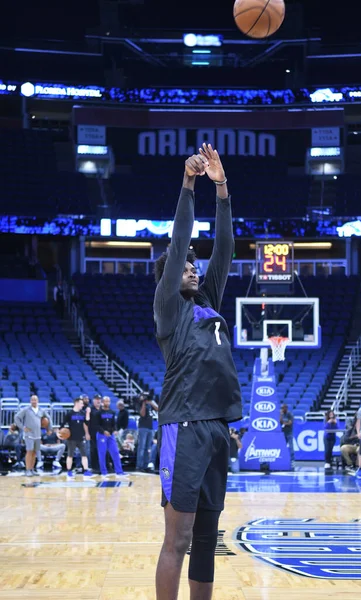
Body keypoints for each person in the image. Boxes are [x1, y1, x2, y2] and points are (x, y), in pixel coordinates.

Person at [153, 145, 242, 600]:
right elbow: (180, 242)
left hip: (216, 429)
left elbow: (224, 247)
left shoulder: (209, 305)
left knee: (208, 539)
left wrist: (221, 188)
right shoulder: (170, 309)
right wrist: (189, 185)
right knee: (179, 539)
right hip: (183, 426)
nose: (190, 267)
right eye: (182, 266)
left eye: (193, 265)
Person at [15, 395, 52, 477]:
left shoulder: (42, 410)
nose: (34, 401)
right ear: (30, 401)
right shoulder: (26, 409)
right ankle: (27, 470)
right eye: (32, 400)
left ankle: (32, 469)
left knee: (35, 452)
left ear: (38, 401)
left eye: (35, 400)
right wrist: (22, 427)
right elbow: (16, 417)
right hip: (29, 434)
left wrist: (49, 429)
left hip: (38, 434)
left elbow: (48, 418)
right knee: (29, 451)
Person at [96, 396, 126, 477]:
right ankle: (104, 472)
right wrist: (103, 431)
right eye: (106, 401)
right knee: (102, 453)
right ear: (103, 402)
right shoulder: (98, 413)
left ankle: (119, 471)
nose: (107, 403)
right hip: (101, 435)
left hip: (110, 435)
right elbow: (97, 425)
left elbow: (114, 424)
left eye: (108, 401)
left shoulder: (112, 412)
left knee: (115, 452)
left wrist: (114, 430)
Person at [63, 397, 92, 478]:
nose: (83, 405)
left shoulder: (82, 413)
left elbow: (87, 422)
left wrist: (88, 414)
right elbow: (63, 424)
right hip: (71, 437)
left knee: (84, 454)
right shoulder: (69, 414)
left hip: (81, 437)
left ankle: (86, 470)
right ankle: (69, 471)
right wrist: (60, 433)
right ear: (76, 403)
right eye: (81, 403)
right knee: (70, 455)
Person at [137, 393, 158, 472]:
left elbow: (158, 409)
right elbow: (142, 414)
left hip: (150, 427)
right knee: (141, 447)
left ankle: (146, 465)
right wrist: (143, 403)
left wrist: (151, 402)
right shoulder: (139, 403)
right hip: (142, 427)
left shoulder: (151, 404)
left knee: (147, 448)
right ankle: (139, 466)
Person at [88, 394, 102, 473]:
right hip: (93, 433)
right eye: (96, 399)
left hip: (101, 433)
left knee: (102, 450)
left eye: (99, 399)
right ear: (93, 400)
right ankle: (94, 467)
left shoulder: (102, 409)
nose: (98, 401)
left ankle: (103, 466)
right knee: (94, 450)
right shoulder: (90, 409)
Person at [280, 404, 295, 468]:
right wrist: (281, 415)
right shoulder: (281, 415)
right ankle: (282, 459)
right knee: (282, 447)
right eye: (282, 408)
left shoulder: (289, 414)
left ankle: (292, 461)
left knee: (291, 447)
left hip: (289, 433)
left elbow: (290, 423)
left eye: (283, 408)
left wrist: (284, 423)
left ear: (286, 408)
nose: (282, 409)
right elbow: (280, 421)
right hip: (283, 433)